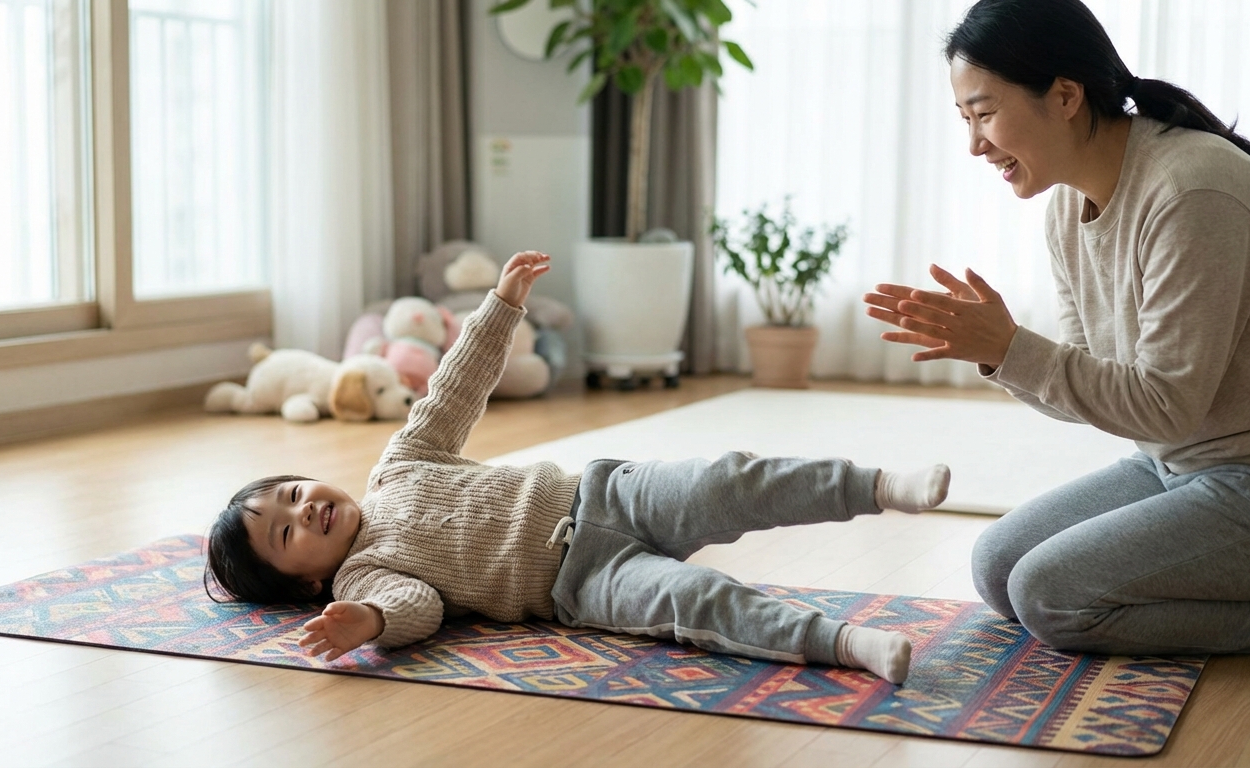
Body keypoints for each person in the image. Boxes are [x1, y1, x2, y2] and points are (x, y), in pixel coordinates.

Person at [206, 250, 952, 685]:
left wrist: (500, 307)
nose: (304, 510)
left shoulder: (398, 464)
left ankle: (880, 487)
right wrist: (366, 621)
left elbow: (454, 390)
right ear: (306, 581)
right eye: (285, 532)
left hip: (608, 494)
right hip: (581, 583)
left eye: (295, 494)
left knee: (733, 481)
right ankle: (846, 644)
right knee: (696, 605)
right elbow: (419, 610)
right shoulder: (362, 579)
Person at [862, 0, 1250, 656]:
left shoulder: (1193, 192)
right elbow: (1099, 389)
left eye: (985, 113)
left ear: (1064, 95)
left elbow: (1165, 406)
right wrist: (999, 355)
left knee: (1050, 596)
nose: (974, 144)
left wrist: (1011, 348)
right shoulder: (1067, 205)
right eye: (964, 119)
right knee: (999, 567)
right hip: (1171, 463)